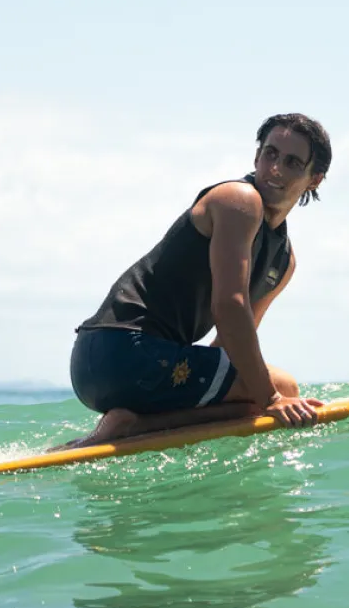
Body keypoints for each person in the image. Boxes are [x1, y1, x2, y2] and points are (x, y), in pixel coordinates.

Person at [52, 113, 331, 450]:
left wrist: (260, 399)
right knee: (280, 391)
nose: (275, 169)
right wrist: (272, 398)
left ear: (314, 179)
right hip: (122, 351)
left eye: (292, 162)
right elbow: (229, 306)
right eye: (270, 154)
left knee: (250, 403)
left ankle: (134, 425)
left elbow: (229, 347)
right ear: (256, 156)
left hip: (112, 366)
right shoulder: (239, 201)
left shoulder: (283, 262)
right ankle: (132, 426)